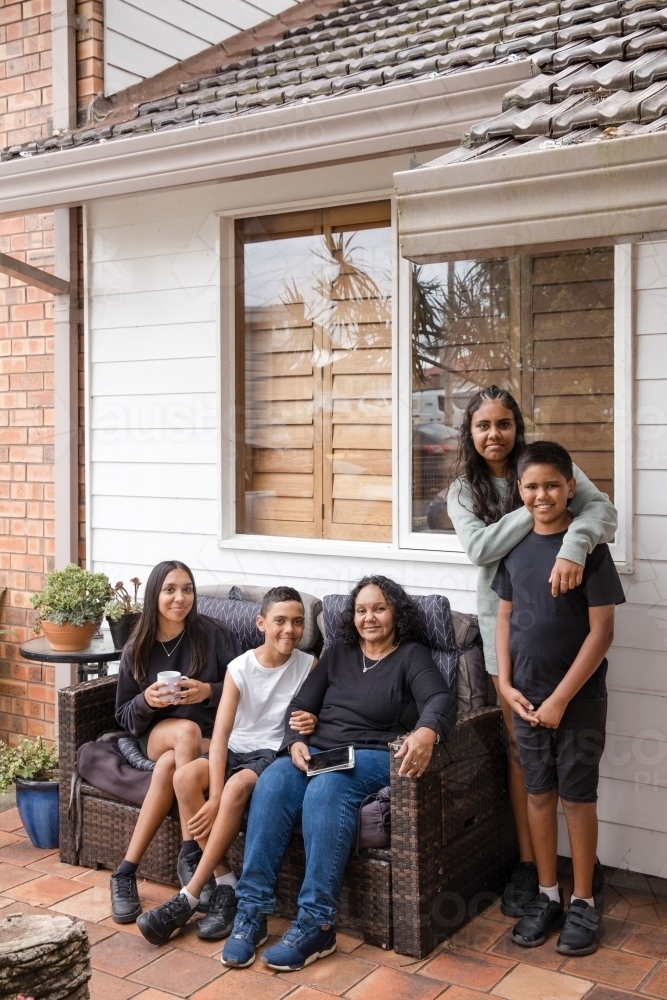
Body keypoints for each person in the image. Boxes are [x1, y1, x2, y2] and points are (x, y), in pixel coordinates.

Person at [221, 575, 457, 973]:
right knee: (274, 781)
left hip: (372, 754)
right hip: (318, 750)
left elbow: (440, 698)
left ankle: (317, 923)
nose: (369, 618)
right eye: (361, 610)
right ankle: (252, 911)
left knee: (327, 787)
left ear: (396, 612)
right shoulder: (338, 652)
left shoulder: (411, 656)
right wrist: (295, 738)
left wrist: (426, 730)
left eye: (379, 608)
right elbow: (302, 704)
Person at [446, 386, 617, 917]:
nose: (493, 434)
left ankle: (578, 881)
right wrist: (534, 508)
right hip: (507, 629)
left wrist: (571, 543)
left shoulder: (546, 465)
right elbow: (480, 549)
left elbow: (602, 514)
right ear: (470, 434)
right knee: (523, 755)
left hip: (564, 634)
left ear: (516, 426)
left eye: (503, 424)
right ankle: (530, 868)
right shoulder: (463, 489)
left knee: (572, 768)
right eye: (482, 426)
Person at [493, 441, 625, 956]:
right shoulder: (517, 547)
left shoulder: (588, 549)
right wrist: (505, 683)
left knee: (576, 797)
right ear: (519, 491)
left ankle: (585, 901)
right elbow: (504, 617)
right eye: (531, 486)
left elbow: (601, 634)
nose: (542, 495)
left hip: (578, 701)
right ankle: (548, 894)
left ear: (571, 487)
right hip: (525, 697)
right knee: (539, 794)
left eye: (553, 484)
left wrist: (561, 700)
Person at [136, 586, 319, 945]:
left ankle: (187, 897)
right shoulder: (240, 667)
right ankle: (226, 883)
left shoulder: (309, 665)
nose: (290, 630)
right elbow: (219, 737)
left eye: (298, 623)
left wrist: (312, 721)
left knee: (236, 788)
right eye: (280, 621)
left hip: (273, 753)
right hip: (236, 747)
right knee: (186, 776)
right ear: (261, 623)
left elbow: (317, 711)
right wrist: (214, 794)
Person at [110, 560, 240, 924]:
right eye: (170, 590)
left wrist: (206, 692)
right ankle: (190, 850)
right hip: (156, 734)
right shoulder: (138, 646)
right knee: (182, 732)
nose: (179, 598)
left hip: (208, 736)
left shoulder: (214, 634)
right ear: (155, 595)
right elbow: (123, 715)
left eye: (187, 589)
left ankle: (125, 871)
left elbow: (240, 690)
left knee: (171, 764)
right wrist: (146, 701)